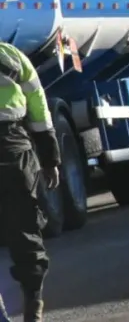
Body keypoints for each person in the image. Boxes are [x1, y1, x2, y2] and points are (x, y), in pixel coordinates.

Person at [0, 42, 60, 322]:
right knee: (25, 233)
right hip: (15, 152)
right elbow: (38, 105)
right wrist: (50, 158)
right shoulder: (11, 55)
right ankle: (33, 305)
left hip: (14, 150)